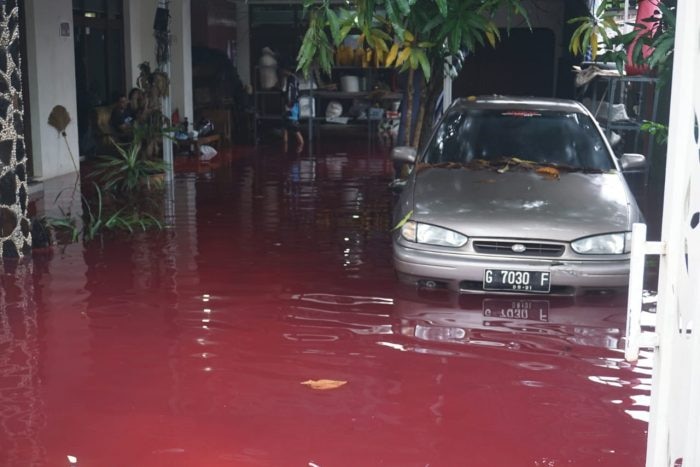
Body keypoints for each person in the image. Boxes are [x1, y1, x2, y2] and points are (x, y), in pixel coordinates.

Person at [280, 67, 304, 152]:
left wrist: (289, 104)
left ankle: (300, 147)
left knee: (293, 127)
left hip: (291, 106)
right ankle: (286, 149)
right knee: (286, 127)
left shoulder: (291, 79)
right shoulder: (294, 79)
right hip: (293, 105)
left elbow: (291, 93)